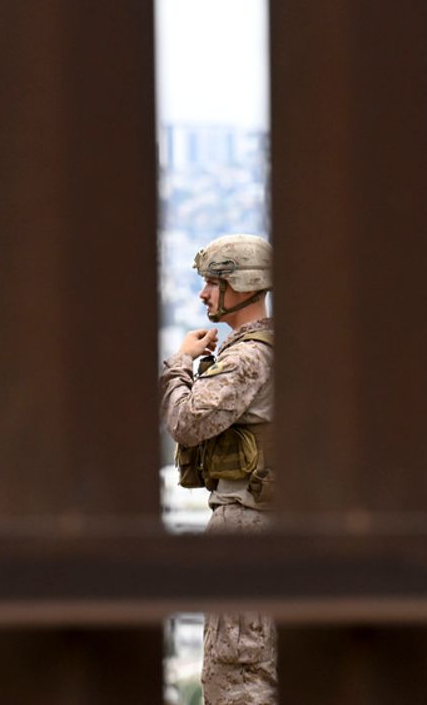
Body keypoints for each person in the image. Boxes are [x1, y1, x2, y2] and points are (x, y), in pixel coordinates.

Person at [160, 235, 277, 705]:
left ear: (242, 285)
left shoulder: (248, 355)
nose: (204, 293)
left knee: (237, 675)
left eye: (214, 283)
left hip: (246, 522)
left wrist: (180, 364)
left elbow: (186, 422)